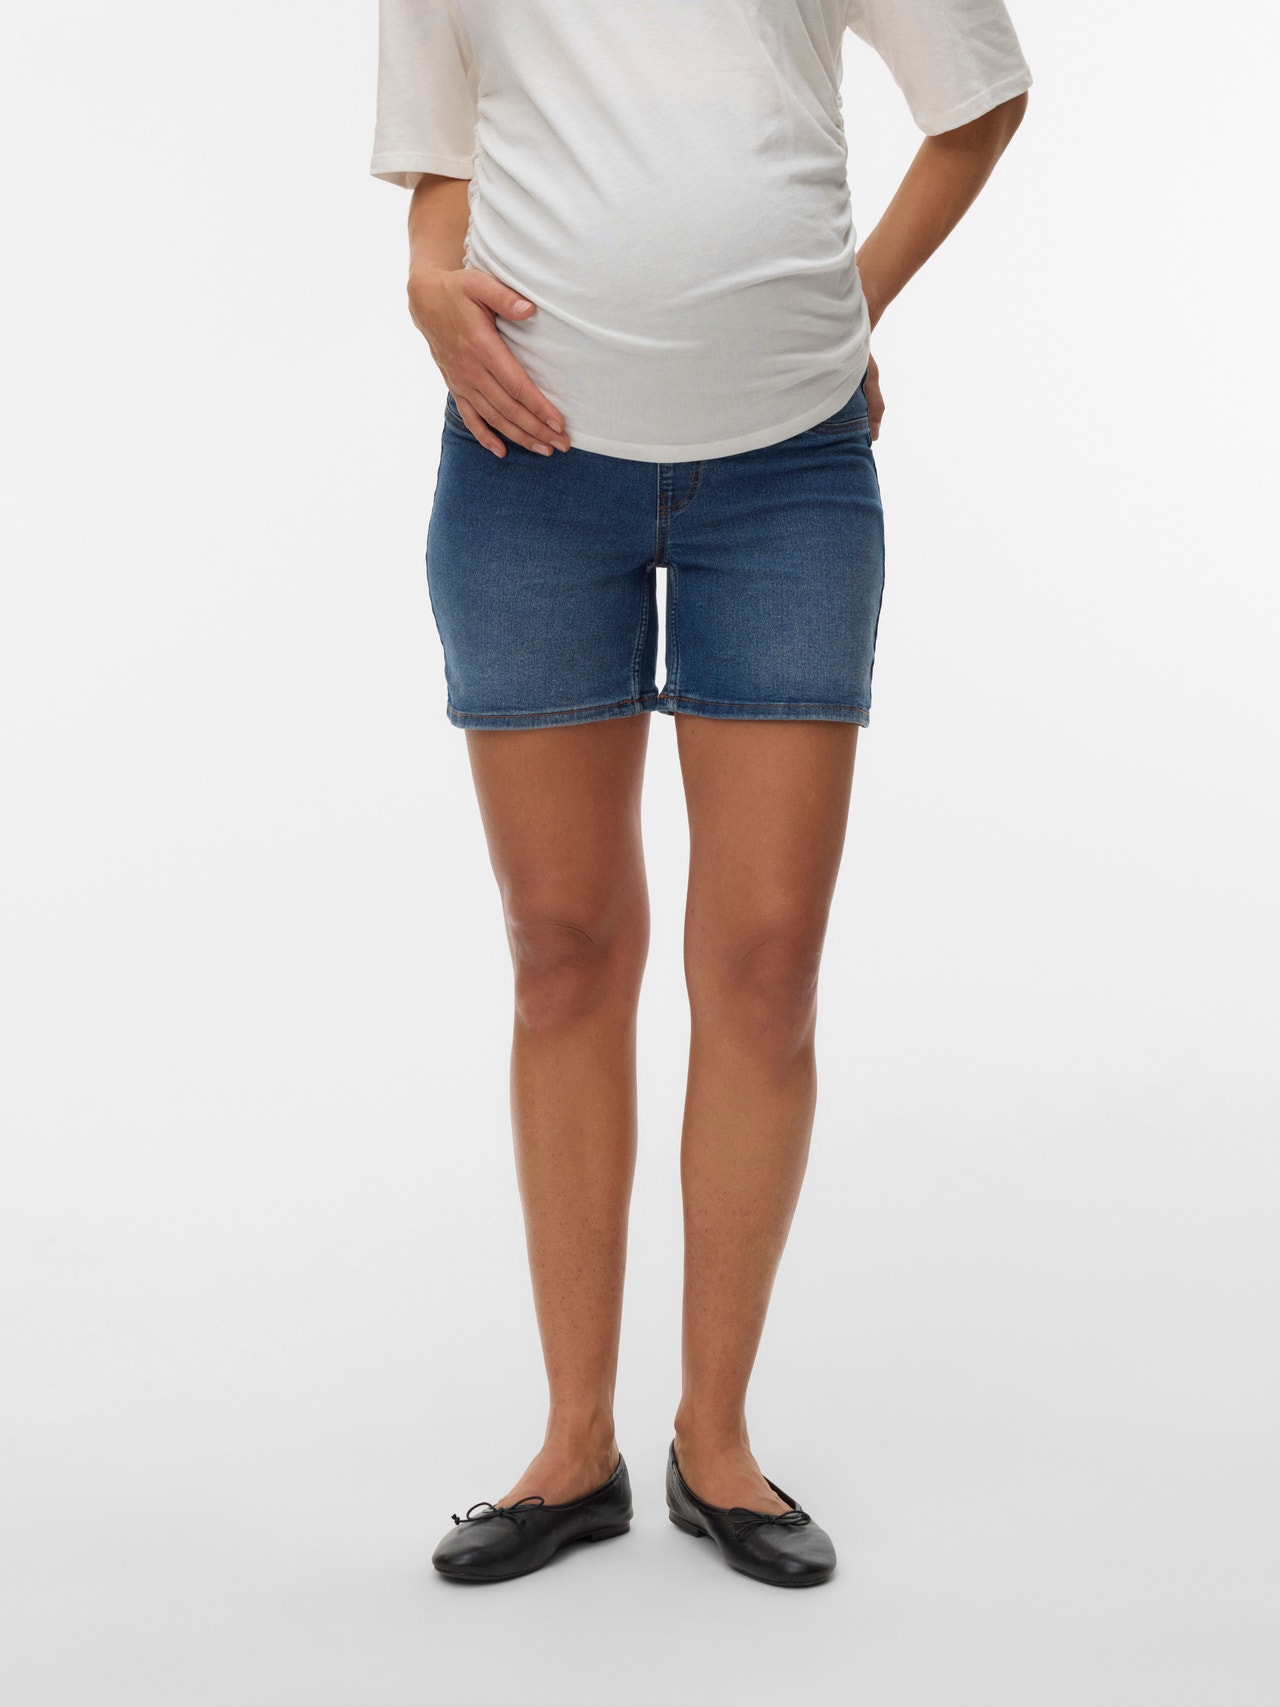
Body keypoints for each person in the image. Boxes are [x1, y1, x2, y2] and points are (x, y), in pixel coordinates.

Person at [371, 0, 1031, 1588]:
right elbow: (443, 160)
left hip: (789, 473)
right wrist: (427, 287)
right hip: (525, 463)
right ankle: (573, 1448)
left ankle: (714, 1442)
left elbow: (981, 98)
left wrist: (850, 310)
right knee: (562, 951)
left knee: (765, 967)